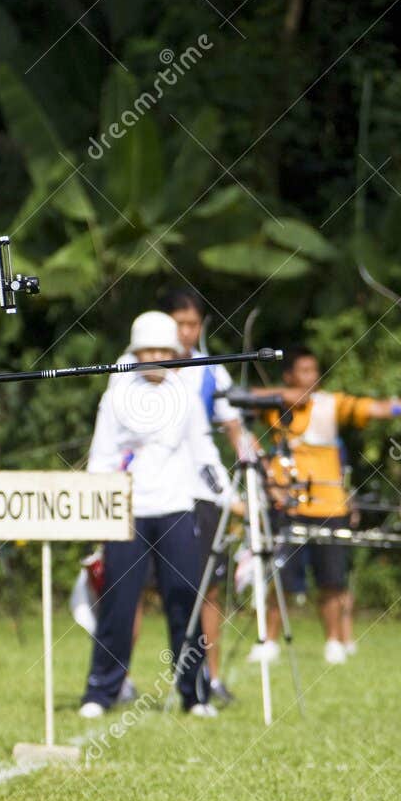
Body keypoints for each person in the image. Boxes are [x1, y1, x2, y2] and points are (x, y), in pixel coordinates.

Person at [248, 346, 401, 664]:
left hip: (330, 507)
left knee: (332, 581)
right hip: (290, 506)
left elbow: (378, 408)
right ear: (289, 376)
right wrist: (286, 395)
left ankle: (334, 642)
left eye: (314, 371)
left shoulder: (331, 404)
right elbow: (242, 397)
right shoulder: (275, 406)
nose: (311, 378)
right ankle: (268, 642)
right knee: (282, 580)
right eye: (303, 371)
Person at [80, 311, 219, 719]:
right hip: (128, 510)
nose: (156, 358)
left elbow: (203, 452)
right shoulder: (115, 396)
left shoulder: (185, 395)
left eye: (163, 350)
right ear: (136, 353)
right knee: (119, 603)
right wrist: (98, 506)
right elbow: (102, 456)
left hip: (176, 507)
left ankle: (195, 695)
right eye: (148, 351)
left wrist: (227, 494)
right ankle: (101, 691)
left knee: (184, 600)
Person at [158, 286, 253, 706]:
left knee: (208, 588)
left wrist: (257, 471)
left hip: (200, 493)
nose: (187, 332)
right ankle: (118, 681)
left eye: (193, 324)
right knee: (138, 589)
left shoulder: (212, 370)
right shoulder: (137, 364)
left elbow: (235, 429)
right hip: (153, 493)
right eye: (179, 324)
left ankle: (209, 679)